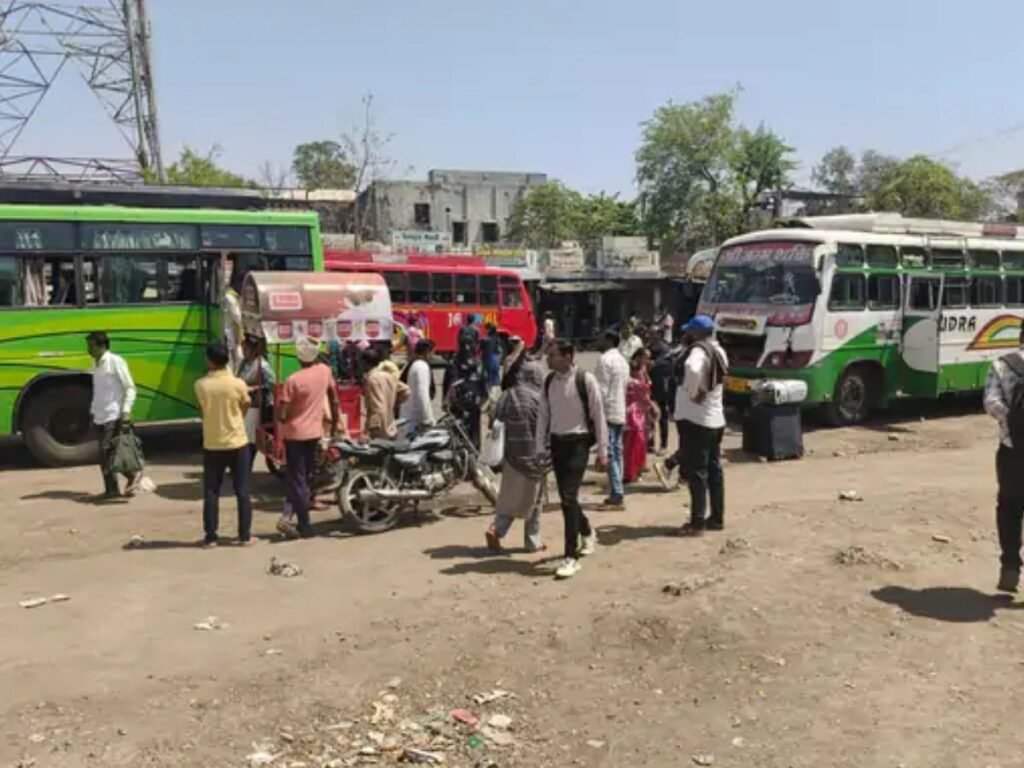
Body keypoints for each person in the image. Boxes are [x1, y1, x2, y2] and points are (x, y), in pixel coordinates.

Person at [536, 339, 608, 580]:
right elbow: (543, 417)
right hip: (557, 444)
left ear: (568, 356)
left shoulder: (585, 380)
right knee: (569, 498)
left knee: (567, 498)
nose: (548, 359)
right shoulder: (548, 382)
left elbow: (599, 416)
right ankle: (587, 531)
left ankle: (570, 557)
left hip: (578, 444)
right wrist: (540, 447)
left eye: (553, 355)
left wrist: (602, 452)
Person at [277, 337, 340, 539]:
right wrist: (336, 423)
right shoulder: (324, 371)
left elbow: (282, 415)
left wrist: (285, 412)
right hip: (314, 433)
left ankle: (303, 523)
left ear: (298, 358)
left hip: (294, 434)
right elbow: (334, 399)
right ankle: (287, 517)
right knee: (302, 478)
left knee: (297, 479)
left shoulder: (293, 380)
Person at [194, 342, 255, 547]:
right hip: (238, 442)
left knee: (211, 491)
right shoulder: (238, 384)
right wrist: (236, 418)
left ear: (210, 360)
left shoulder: (201, 385)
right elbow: (245, 404)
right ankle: (245, 536)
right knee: (242, 490)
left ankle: (211, 536)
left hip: (213, 443)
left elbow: (203, 410)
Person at [673, 315, 728, 536]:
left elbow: (693, 370)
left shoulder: (698, 351)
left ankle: (697, 523)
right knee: (714, 470)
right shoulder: (719, 350)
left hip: (697, 420)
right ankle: (716, 518)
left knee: (697, 472)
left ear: (695, 333)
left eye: (689, 332)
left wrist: (692, 391)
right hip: (716, 419)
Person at [486, 361, 548, 554]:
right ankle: (532, 541)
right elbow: (546, 428)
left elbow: (492, 422)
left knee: (509, 499)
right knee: (534, 500)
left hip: (511, 456)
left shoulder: (507, 396)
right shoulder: (540, 399)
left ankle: (496, 528)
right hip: (534, 458)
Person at [983, 325, 1024, 592]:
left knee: (1009, 507)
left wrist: (1011, 421)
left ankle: (1010, 566)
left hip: (1013, 451)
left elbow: (991, 402)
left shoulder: (1003, 364)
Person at [86, 331, 139, 500]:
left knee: (107, 451)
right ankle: (113, 488)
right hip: (99, 414)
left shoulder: (115, 362)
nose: (89, 349)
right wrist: (93, 412)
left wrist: (126, 411)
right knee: (104, 454)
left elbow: (130, 387)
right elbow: (99, 392)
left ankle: (129, 476)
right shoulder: (96, 364)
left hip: (114, 414)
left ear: (102, 346)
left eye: (91, 346)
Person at [594, 329, 629, 508]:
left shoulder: (605, 359)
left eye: (601, 338)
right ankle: (617, 489)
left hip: (607, 412)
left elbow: (600, 391)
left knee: (611, 454)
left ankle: (617, 494)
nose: (598, 341)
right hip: (619, 410)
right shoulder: (623, 360)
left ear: (609, 340)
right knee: (617, 452)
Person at [236, 335, 274, 470]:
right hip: (244, 404)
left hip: (257, 404)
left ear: (253, 350)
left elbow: (271, 384)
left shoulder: (262, 365)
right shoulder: (243, 363)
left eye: (246, 349)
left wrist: (254, 388)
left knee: (251, 437)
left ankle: (246, 465)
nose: (244, 351)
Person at [624, 348, 657, 483]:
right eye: (645, 357)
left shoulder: (644, 371)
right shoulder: (635, 375)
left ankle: (637, 469)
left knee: (640, 443)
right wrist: (653, 406)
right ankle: (630, 472)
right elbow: (642, 394)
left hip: (642, 412)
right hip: (635, 412)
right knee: (634, 443)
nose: (648, 360)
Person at [444, 347, 487, 449]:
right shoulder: (479, 382)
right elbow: (485, 397)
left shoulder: (457, 384)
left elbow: (449, 399)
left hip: (460, 413)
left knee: (460, 434)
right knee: (474, 433)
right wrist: (478, 406)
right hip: (474, 413)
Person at [363, 346, 410, 440]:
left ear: (365, 363)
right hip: (391, 424)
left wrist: (368, 431)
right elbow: (406, 391)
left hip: (380, 428)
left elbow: (377, 407)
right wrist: (394, 402)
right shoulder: (388, 375)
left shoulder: (372, 379)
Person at [399, 339, 435, 436]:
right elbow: (422, 394)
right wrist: (428, 419)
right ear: (427, 352)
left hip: (408, 416)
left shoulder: (412, 363)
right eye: (433, 352)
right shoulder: (421, 366)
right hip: (415, 420)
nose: (433, 356)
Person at [648, 333, 674, 455]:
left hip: (662, 387)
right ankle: (650, 443)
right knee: (649, 416)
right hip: (650, 386)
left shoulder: (665, 349)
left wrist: (655, 363)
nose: (650, 335)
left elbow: (669, 365)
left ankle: (663, 444)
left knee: (663, 416)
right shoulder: (648, 347)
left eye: (652, 333)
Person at [222, 265, 246, 371]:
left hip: (237, 335)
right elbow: (238, 317)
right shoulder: (230, 297)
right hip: (231, 335)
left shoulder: (237, 297)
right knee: (235, 361)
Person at [481, 323, 502, 389]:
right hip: (496, 360)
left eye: (487, 329)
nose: (486, 330)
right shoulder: (497, 339)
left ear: (489, 330)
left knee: (488, 377)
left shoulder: (485, 340)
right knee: (495, 378)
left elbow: (481, 350)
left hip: (489, 360)